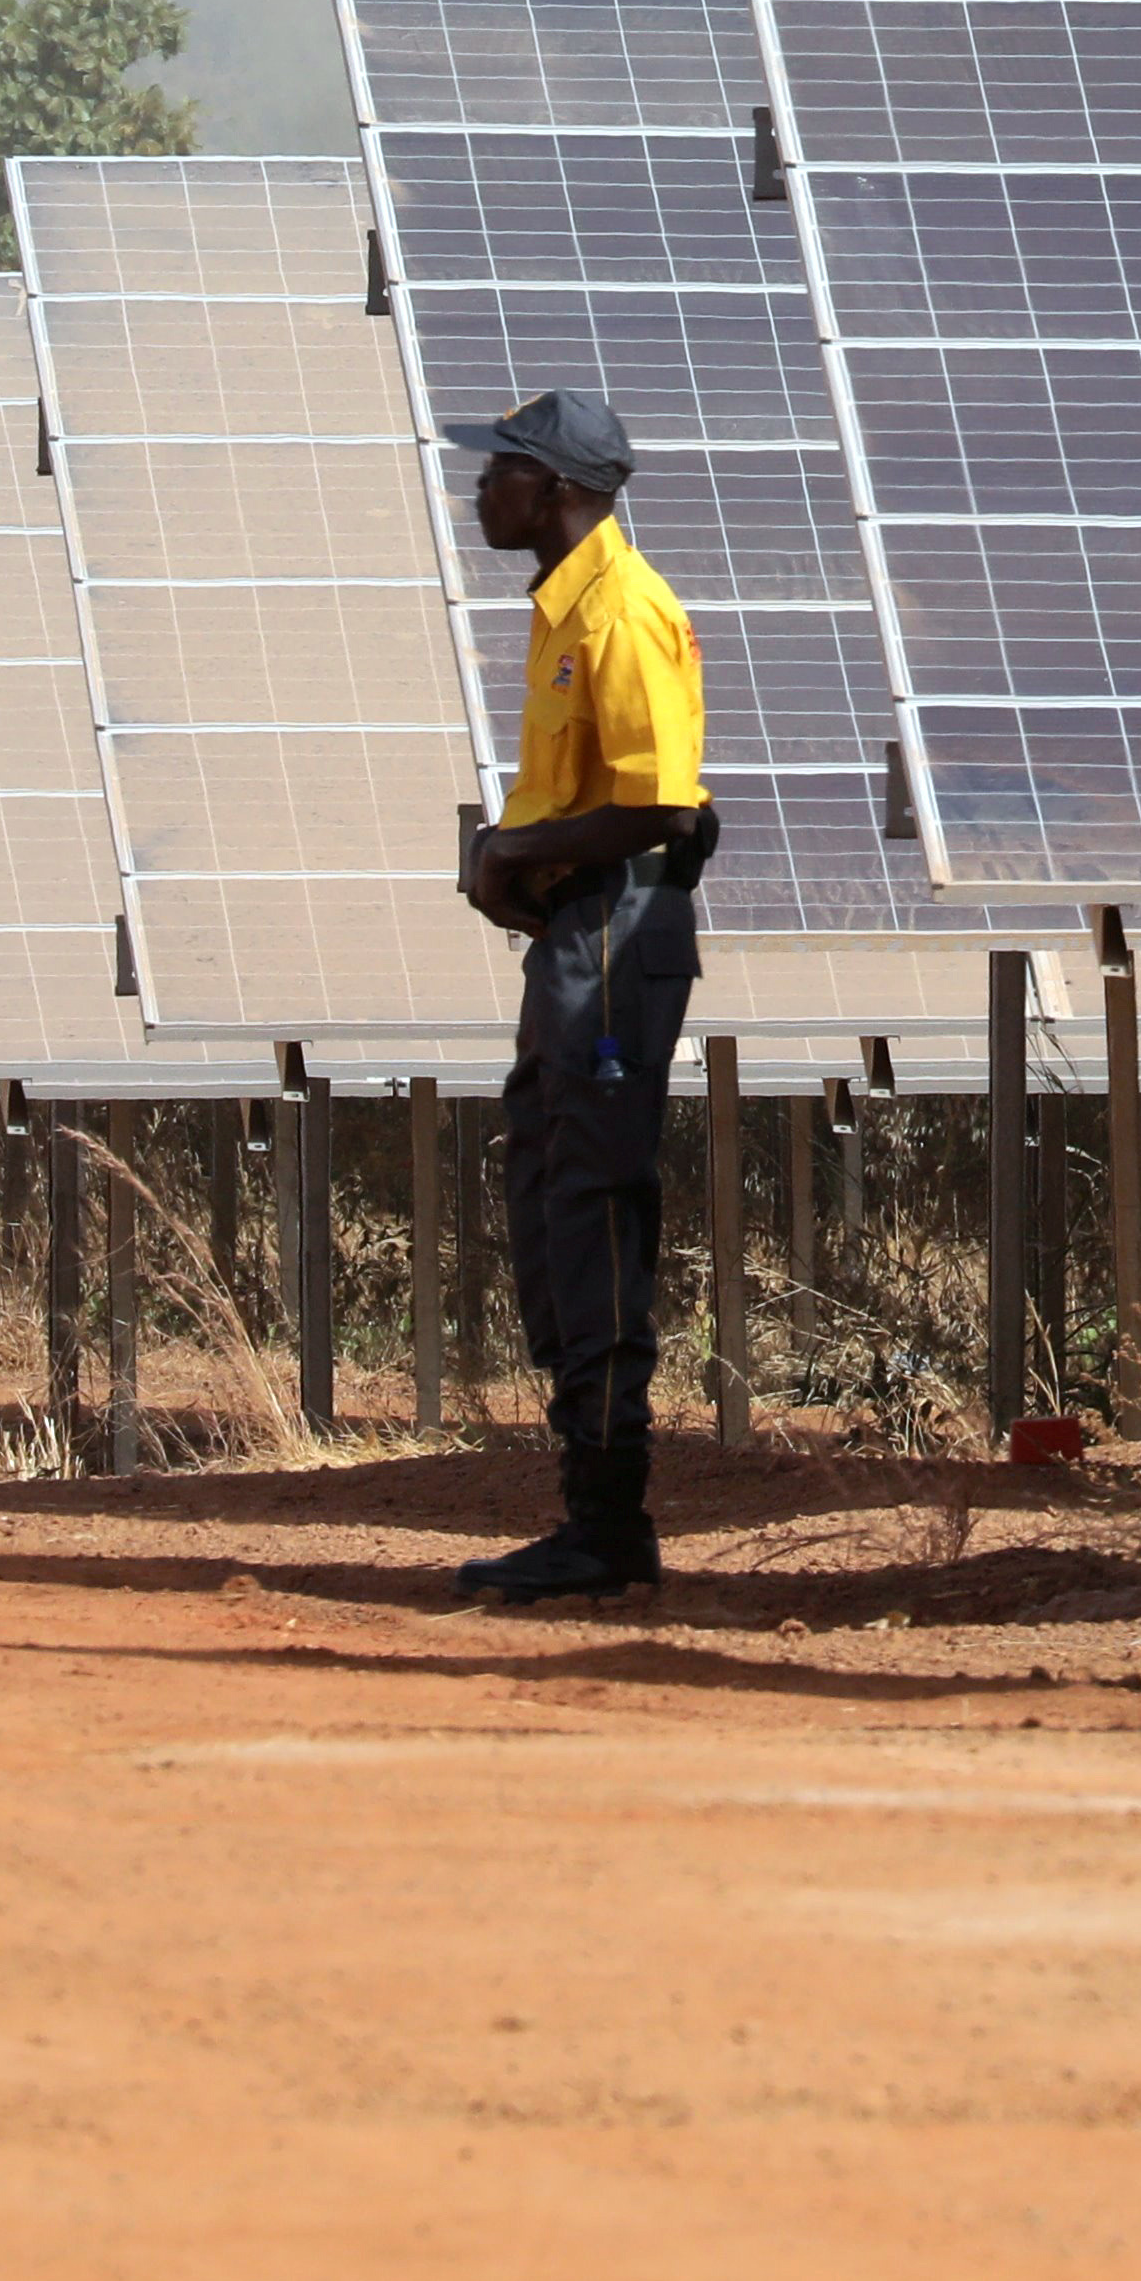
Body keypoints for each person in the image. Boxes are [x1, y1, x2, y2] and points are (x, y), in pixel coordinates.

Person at [433, 388, 713, 1604]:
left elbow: (661, 804)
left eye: (501, 471)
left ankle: (610, 1520)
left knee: (591, 1204)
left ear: (555, 491)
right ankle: (591, 1508)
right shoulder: (566, 613)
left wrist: (515, 857)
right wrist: (516, 861)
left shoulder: (624, 612)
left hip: (617, 936)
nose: (480, 490)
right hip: (578, 937)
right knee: (550, 1195)